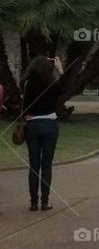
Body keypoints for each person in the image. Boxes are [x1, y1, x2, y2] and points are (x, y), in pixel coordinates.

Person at [20, 56, 65, 211]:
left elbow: (24, 107)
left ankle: (33, 202)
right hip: (50, 124)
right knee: (46, 164)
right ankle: (45, 202)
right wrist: (60, 70)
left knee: (33, 165)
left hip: (32, 125)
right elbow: (63, 89)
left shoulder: (27, 83)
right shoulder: (52, 83)